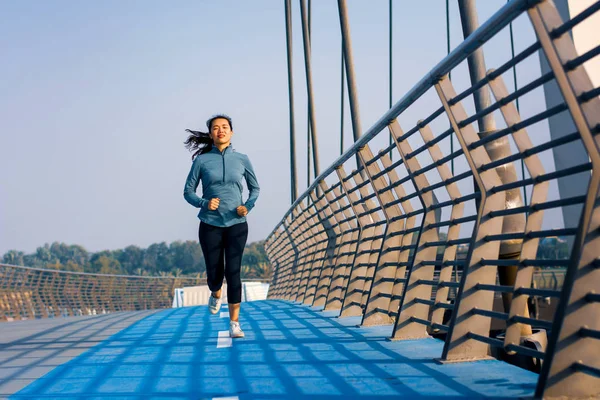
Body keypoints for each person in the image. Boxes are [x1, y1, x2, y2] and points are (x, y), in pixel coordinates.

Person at [183, 114, 260, 338]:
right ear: (210, 134)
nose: (220, 131)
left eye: (225, 127)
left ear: (231, 132)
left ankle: (235, 323)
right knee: (214, 272)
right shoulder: (202, 161)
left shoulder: (242, 159)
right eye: (216, 128)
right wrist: (204, 203)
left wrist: (248, 206)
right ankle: (215, 292)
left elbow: (255, 188)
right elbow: (188, 191)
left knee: (233, 271)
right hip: (210, 224)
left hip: (237, 223)